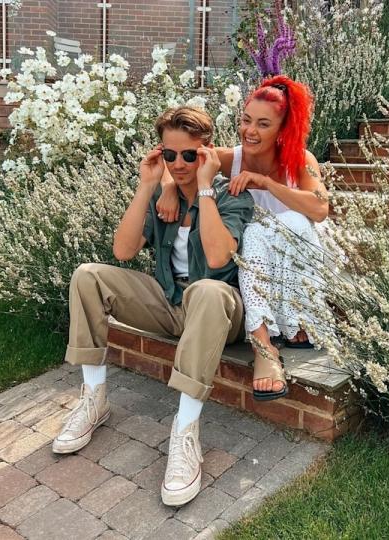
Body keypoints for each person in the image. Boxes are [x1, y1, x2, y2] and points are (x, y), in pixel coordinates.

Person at [52, 106, 255, 507]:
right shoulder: (164, 194)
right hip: (168, 299)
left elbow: (217, 260)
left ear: (207, 152)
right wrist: (148, 186)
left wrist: (206, 188)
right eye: (169, 154)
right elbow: (124, 250)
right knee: (88, 274)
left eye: (189, 155)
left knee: (208, 291)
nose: (178, 164)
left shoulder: (232, 196)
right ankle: (94, 398)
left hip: (218, 306)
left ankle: (185, 431)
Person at [156, 75, 329, 402]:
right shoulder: (229, 157)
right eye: (246, 120)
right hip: (254, 264)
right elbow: (181, 156)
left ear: (283, 128)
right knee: (251, 233)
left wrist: (265, 183)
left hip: (298, 256)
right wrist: (167, 188)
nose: (250, 131)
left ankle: (290, 327)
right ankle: (264, 346)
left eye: (263, 124)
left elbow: (320, 209)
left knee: (285, 220)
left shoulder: (301, 160)